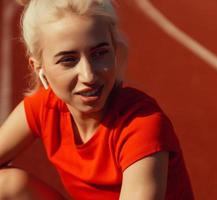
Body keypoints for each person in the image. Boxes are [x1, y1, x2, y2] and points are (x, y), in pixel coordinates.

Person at [0, 0, 194, 199]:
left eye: (100, 53)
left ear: (115, 49)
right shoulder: (45, 107)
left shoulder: (141, 124)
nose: (89, 75)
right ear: (38, 68)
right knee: (6, 185)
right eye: (68, 60)